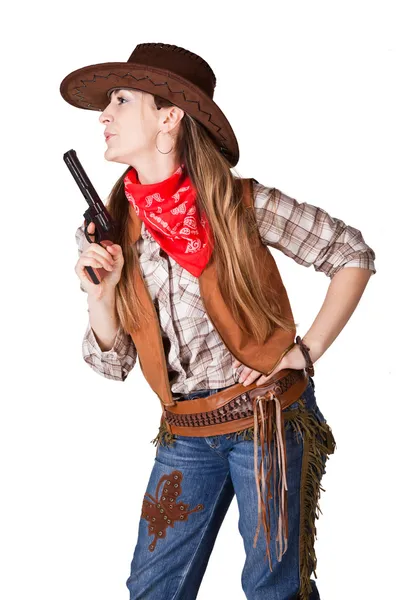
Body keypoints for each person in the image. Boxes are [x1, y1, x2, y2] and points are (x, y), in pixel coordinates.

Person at [60, 42, 376, 599]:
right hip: (186, 431)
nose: (104, 116)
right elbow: (113, 365)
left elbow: (350, 253)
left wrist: (307, 350)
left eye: (121, 100)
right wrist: (101, 294)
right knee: (153, 588)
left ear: (168, 117)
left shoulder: (242, 205)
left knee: (272, 588)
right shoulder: (112, 230)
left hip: (266, 423)